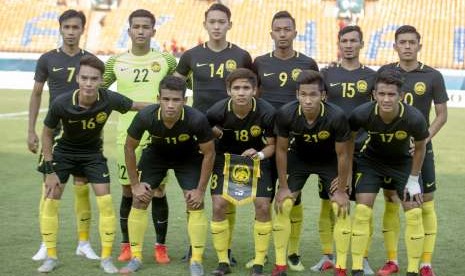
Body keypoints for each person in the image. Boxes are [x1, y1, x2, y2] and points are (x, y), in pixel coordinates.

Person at [37, 55, 147, 273]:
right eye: (85, 78)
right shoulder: (62, 102)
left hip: (92, 155)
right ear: (78, 78)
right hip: (64, 153)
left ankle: (106, 258)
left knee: (105, 201)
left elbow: (136, 106)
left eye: (94, 79)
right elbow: (47, 134)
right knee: (51, 199)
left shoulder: (109, 98)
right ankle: (50, 256)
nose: (89, 83)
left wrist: (166, 105)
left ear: (101, 81)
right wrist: (49, 169)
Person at [174, 3, 252, 264]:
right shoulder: (190, 55)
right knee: (194, 190)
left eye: (222, 22)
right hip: (198, 134)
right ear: (205, 24)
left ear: (230, 24)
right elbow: (175, 87)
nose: (217, 26)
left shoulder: (242, 56)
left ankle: (225, 248)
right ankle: (193, 245)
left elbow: (252, 92)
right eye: (212, 22)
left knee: (227, 196)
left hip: (230, 135)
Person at [101, 9, 177, 264]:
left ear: (154, 31)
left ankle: (160, 246)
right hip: (127, 136)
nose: (141, 31)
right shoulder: (115, 62)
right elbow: (101, 91)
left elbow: (177, 88)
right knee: (128, 191)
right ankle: (126, 245)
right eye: (137, 26)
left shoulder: (166, 60)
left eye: (146, 27)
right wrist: (128, 105)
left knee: (158, 191)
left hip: (159, 136)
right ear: (129, 30)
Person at [119, 75, 215, 275]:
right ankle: (136, 257)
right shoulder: (146, 115)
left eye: (176, 100)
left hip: (187, 157)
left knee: (195, 202)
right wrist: (135, 184)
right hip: (156, 155)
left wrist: (200, 190)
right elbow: (129, 148)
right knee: (140, 199)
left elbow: (209, 153)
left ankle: (196, 260)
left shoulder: (196, 119)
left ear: (184, 101)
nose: (170, 105)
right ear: (158, 99)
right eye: (166, 99)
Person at [376, 25, 448, 276]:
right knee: (390, 201)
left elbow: (441, 115)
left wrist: (424, 139)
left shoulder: (433, 76)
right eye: (402, 42)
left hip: (421, 149)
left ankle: (425, 263)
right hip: (389, 151)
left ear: (419, 45)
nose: (407, 46)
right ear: (395, 46)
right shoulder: (385, 72)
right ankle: (392, 260)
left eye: (411, 42)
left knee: (425, 203)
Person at [28, 9, 99, 262]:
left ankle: (84, 242)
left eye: (75, 28)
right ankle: (46, 244)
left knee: (82, 189)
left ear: (82, 29)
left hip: (85, 136)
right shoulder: (47, 59)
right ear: (60, 28)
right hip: (55, 133)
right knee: (50, 188)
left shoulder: (90, 59)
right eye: (66, 27)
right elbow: (36, 94)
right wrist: (31, 129)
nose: (70, 32)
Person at [251, 11, 319, 271]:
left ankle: (293, 252)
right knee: (264, 200)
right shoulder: (259, 63)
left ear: (295, 33)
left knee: (293, 198)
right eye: (277, 29)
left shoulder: (308, 63)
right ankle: (263, 254)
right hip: (267, 140)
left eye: (286, 29)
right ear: (271, 33)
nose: (282, 34)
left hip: (297, 141)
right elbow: (254, 96)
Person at [349, 70, 429, 276]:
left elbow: (420, 148)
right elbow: (348, 142)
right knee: (362, 211)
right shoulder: (361, 113)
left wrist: (413, 180)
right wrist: (347, 174)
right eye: (382, 94)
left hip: (402, 163)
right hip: (371, 162)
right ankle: (357, 267)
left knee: (414, 212)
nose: (386, 99)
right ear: (374, 94)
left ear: (400, 96)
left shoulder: (414, 117)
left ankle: (412, 270)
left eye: (391, 94)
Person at [271, 70, 351, 276]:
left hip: (328, 161)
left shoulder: (336, 116)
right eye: (303, 94)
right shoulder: (286, 114)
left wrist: (342, 189)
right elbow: (280, 150)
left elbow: (343, 155)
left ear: (323, 96)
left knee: (339, 206)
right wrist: (283, 187)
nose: (308, 100)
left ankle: (340, 267)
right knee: (284, 204)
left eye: (313, 95)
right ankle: (280, 265)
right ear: (297, 94)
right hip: (300, 160)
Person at [206, 68, 275, 276]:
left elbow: (273, 146)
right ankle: (223, 262)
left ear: (254, 90)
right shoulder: (216, 112)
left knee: (263, 206)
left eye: (246, 88)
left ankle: (259, 262)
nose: (241, 92)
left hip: (256, 161)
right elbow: (205, 136)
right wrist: (213, 131)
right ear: (229, 91)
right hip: (224, 160)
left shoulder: (267, 112)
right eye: (236, 88)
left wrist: (260, 154)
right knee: (218, 205)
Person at [319, 25, 376, 275]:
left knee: (363, 207)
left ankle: (361, 257)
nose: (349, 44)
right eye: (345, 40)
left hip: (364, 149)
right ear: (338, 44)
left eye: (354, 40)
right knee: (331, 202)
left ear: (362, 44)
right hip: (333, 149)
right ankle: (329, 255)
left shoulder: (373, 76)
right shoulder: (326, 74)